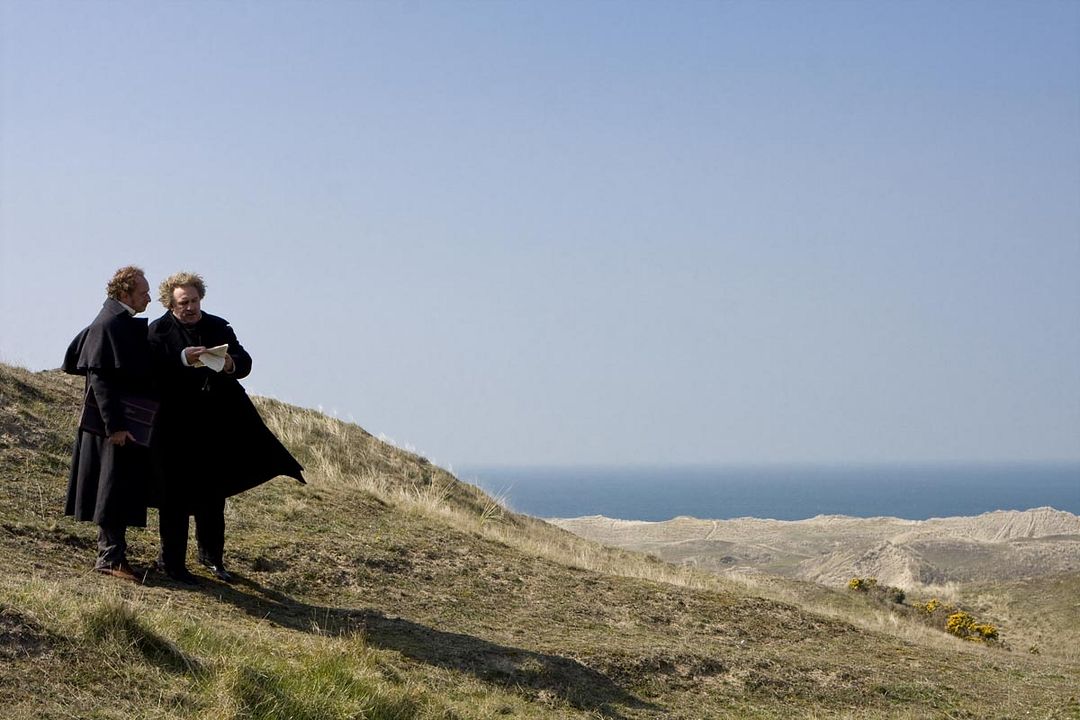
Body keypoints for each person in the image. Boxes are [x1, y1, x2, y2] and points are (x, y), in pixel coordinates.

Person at [148, 271, 304, 584]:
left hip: (215, 424)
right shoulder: (158, 331)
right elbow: (149, 369)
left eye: (194, 301)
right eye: (183, 303)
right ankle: (172, 563)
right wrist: (182, 359)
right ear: (170, 304)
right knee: (174, 495)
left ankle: (212, 558)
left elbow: (244, 361)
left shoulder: (218, 326)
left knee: (212, 492)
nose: (191, 308)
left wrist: (230, 363)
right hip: (174, 427)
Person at [63, 266, 156, 582]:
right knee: (111, 488)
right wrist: (114, 427)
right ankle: (109, 559)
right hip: (111, 428)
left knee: (118, 487)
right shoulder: (108, 324)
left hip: (118, 425)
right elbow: (100, 380)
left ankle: (115, 556)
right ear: (125, 293)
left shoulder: (115, 321)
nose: (148, 298)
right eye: (143, 293)